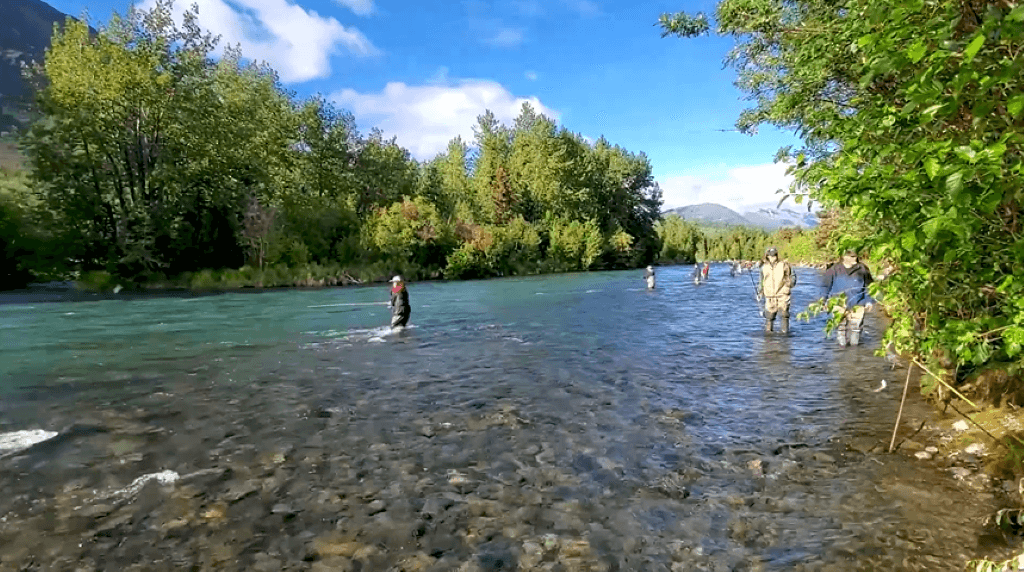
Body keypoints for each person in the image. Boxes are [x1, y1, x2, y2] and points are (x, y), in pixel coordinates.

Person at [821, 249, 874, 346]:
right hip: (838, 304)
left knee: (856, 331)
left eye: (855, 256)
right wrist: (822, 301)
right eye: (852, 256)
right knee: (840, 330)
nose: (855, 258)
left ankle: (854, 354)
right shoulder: (834, 269)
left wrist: (869, 301)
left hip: (858, 304)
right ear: (844, 257)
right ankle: (842, 355)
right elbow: (825, 286)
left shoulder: (863, 269)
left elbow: (870, 287)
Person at [757, 247, 796, 333]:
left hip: (783, 293)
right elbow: (761, 280)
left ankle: (785, 333)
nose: (772, 258)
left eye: (774, 256)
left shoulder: (784, 265)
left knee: (784, 314)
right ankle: (768, 334)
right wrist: (760, 291)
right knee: (769, 316)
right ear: (767, 256)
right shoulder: (763, 267)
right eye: (770, 256)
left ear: (777, 256)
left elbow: (792, 276)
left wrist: (789, 285)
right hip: (769, 294)